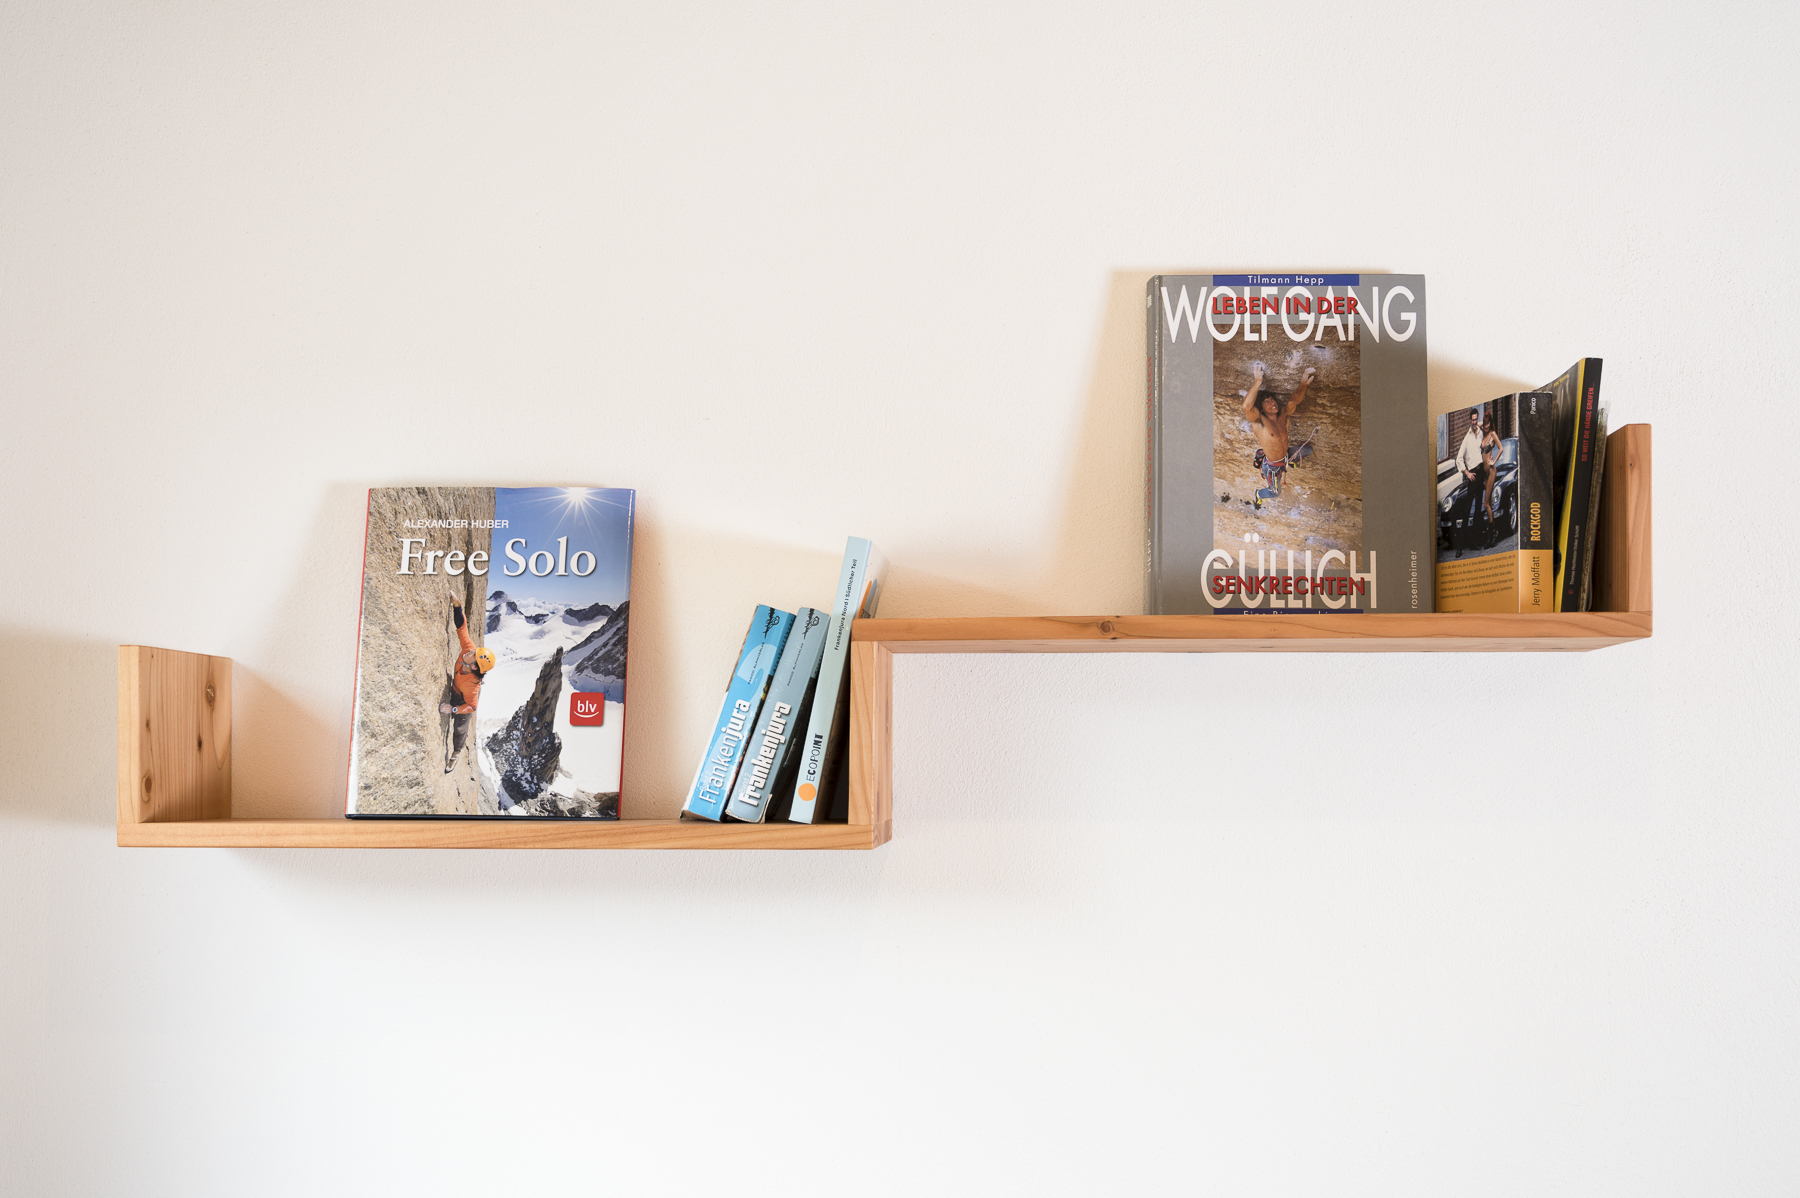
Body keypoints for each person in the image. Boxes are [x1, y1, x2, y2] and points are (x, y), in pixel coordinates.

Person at [1242, 361, 1316, 497]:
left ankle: (1289, 461)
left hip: (1285, 455)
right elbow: (1247, 407)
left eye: (1272, 400)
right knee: (1274, 493)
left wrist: (1303, 385)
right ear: (1261, 409)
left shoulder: (1283, 414)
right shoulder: (1259, 422)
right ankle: (1259, 494)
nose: (1273, 403)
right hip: (1273, 466)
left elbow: (1293, 401)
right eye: (1267, 402)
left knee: (1308, 450)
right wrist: (1257, 382)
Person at [440, 596, 495, 773]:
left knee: (460, 727)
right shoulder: (468, 649)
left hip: (465, 699)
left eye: (474, 654)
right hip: (457, 688)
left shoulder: (473, 686)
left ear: (474, 666)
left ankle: (456, 752)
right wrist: (457, 607)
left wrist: (454, 709)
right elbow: (462, 628)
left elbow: (472, 706)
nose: (471, 650)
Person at [1455, 406, 1486, 536]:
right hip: (1472, 474)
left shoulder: (1480, 433)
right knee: (1468, 507)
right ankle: (1463, 539)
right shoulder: (1467, 438)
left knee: (1479, 506)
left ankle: (1476, 537)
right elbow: (1458, 459)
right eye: (1472, 420)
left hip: (1481, 472)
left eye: (1476, 419)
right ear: (1469, 420)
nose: (1474, 422)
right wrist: (1467, 473)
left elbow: (1486, 424)